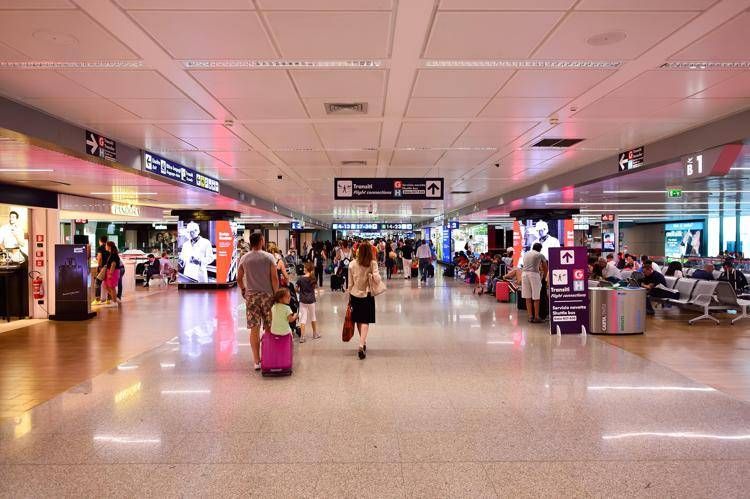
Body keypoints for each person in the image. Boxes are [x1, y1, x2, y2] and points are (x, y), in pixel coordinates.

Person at [237, 232, 279, 371]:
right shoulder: (269, 257)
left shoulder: (244, 258)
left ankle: (256, 361)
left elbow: (239, 278)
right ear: (261, 241)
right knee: (268, 327)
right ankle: (268, 355)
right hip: (267, 296)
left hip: (251, 297)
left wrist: (243, 289)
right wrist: (276, 294)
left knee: (254, 329)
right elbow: (274, 278)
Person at [347, 240, 382, 360]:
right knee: (365, 320)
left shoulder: (352, 264)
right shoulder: (372, 263)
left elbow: (350, 283)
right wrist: (373, 275)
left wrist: (349, 295)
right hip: (367, 295)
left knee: (358, 319)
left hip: (355, 294)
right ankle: (361, 344)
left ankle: (363, 342)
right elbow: (377, 280)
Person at [521, 242, 546, 323]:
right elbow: (545, 267)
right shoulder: (540, 255)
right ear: (540, 249)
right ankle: (536, 317)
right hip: (534, 275)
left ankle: (530, 316)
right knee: (536, 297)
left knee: (527, 297)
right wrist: (545, 277)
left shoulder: (526, 254)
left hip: (524, 274)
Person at [296, 261, 320, 342]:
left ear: (306, 269)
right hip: (311, 300)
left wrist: (300, 292)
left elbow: (296, 288)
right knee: (313, 316)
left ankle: (302, 337)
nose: (303, 269)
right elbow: (315, 287)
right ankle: (315, 334)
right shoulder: (313, 278)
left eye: (304, 268)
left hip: (303, 300)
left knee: (303, 318)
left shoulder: (300, 279)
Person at [102, 241, 121, 306]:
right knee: (106, 286)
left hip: (113, 272)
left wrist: (110, 273)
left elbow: (113, 264)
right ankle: (115, 298)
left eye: (106, 245)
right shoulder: (112, 253)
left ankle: (114, 302)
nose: (105, 247)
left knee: (111, 287)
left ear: (109, 246)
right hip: (111, 271)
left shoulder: (113, 254)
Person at [93, 235, 110, 305]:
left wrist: (98, 266)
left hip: (103, 268)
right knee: (108, 284)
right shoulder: (109, 248)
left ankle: (97, 300)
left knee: (97, 283)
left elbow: (99, 258)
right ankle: (108, 300)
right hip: (109, 267)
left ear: (100, 241)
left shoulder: (100, 248)